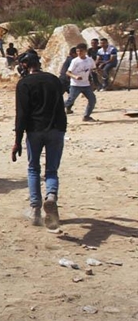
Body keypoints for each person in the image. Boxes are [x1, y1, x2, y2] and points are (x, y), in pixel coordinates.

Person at [11, 51, 66, 230]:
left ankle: (35, 210)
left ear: (24, 65)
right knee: (52, 169)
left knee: (33, 168)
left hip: (34, 130)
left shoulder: (24, 83)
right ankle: (51, 196)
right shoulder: (53, 79)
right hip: (56, 128)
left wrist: (17, 141)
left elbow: (21, 114)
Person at [63, 43, 97, 122]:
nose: (79, 53)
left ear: (85, 51)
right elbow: (68, 72)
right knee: (70, 100)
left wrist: (95, 78)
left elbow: (93, 69)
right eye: (77, 51)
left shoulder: (90, 60)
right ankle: (55, 109)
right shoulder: (75, 61)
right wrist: (75, 77)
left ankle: (86, 116)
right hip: (76, 85)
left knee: (92, 100)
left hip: (86, 84)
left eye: (81, 51)